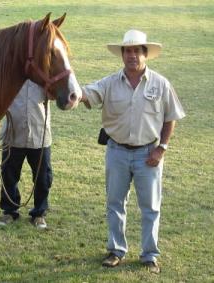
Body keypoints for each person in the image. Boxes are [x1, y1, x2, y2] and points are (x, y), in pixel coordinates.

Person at [81, 29, 185, 274]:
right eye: (127, 51)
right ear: (122, 55)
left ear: (145, 54)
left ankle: (149, 255)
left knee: (150, 207)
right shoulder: (109, 83)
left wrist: (162, 148)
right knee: (115, 203)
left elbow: (171, 118)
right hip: (116, 152)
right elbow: (88, 94)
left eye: (137, 50)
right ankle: (116, 250)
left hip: (148, 154)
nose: (132, 56)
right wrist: (70, 88)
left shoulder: (161, 84)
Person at [0, 79, 53, 229]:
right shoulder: (11, 72)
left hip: (39, 133)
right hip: (12, 133)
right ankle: (9, 211)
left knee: (43, 176)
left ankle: (39, 214)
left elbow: (58, 96)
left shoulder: (44, 73)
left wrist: (50, 88)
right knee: (8, 173)